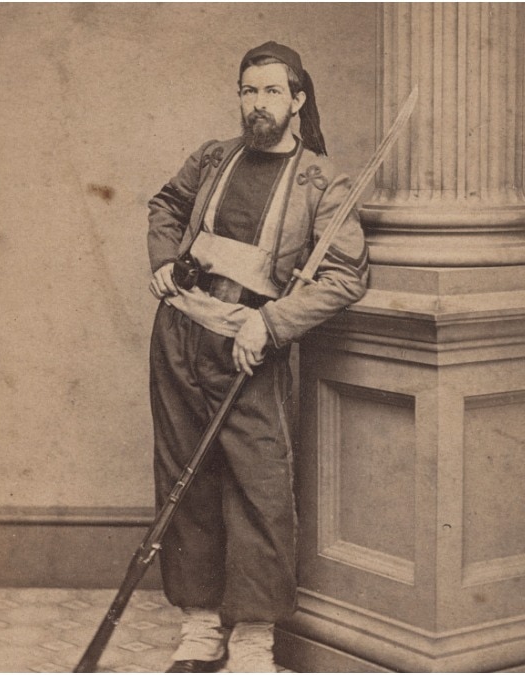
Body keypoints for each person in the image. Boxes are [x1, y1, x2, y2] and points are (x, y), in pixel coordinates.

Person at [146, 41, 369, 673]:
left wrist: (270, 324)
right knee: (185, 478)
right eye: (249, 90)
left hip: (249, 346)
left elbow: (346, 276)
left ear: (298, 100)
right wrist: (164, 259)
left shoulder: (323, 182)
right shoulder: (214, 158)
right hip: (181, 331)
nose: (258, 103)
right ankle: (200, 628)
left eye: (272, 91)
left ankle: (251, 642)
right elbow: (166, 204)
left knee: (259, 490)